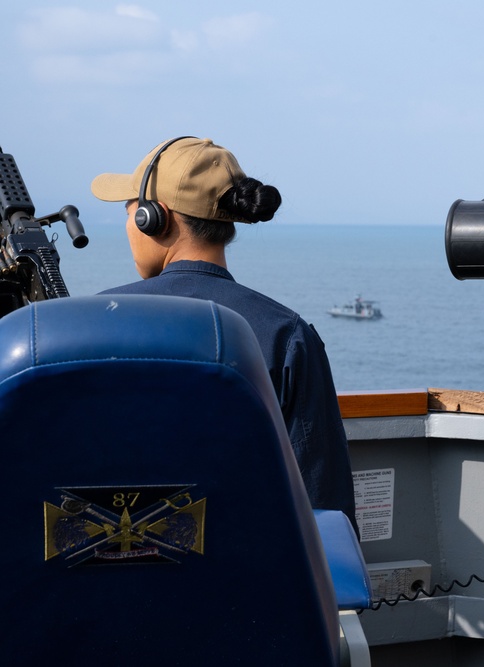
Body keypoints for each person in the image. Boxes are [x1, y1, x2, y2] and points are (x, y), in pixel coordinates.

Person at [90, 136, 357, 531]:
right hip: (244, 580)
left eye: (129, 211)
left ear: (154, 216)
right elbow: (324, 502)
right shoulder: (286, 335)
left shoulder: (90, 322)